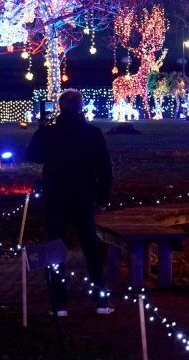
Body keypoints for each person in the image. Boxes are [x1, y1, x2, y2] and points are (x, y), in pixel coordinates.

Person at [25, 89, 114, 317]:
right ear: (81, 106)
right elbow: (105, 168)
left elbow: (32, 156)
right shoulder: (92, 133)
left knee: (55, 248)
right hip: (84, 196)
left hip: (55, 196)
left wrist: (41, 131)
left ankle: (60, 303)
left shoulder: (49, 133)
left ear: (60, 106)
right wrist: (102, 197)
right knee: (91, 249)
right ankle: (101, 301)